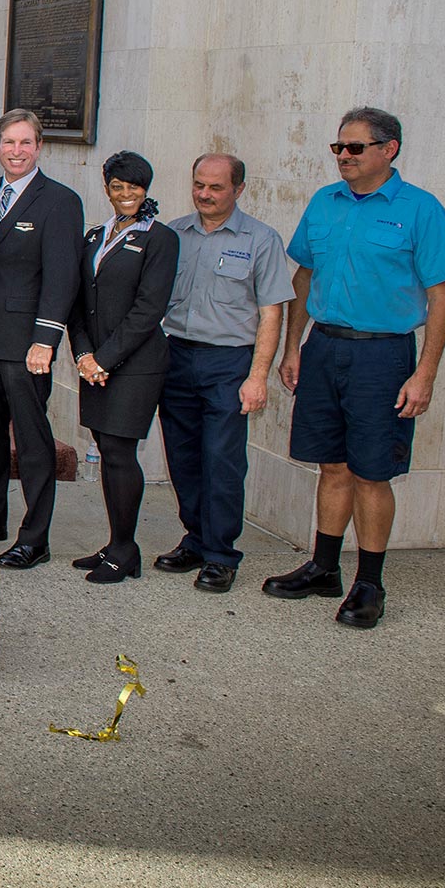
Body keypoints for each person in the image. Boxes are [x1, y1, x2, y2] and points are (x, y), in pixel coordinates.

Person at [268, 108, 445, 628]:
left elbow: (443, 296)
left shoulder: (419, 210)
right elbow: (304, 277)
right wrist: (293, 349)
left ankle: (369, 584)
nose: (343, 158)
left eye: (354, 148)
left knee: (372, 472)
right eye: (338, 148)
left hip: (383, 355)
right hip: (324, 347)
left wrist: (425, 373)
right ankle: (323, 568)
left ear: (388, 149)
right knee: (331, 465)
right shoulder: (324, 204)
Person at [149, 153, 295, 592]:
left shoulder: (260, 240)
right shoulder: (174, 233)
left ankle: (220, 554)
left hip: (229, 363)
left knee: (222, 460)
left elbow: (272, 313)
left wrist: (258, 375)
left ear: (238, 189)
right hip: (176, 356)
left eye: (215, 187)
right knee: (183, 456)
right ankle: (195, 539)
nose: (205, 195)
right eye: (198, 185)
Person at [0, 110, 84, 567]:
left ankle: (36, 536)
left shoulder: (60, 201)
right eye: (9, 142)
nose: (16, 151)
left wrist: (45, 341)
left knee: (31, 440)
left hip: (27, 344)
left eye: (25, 143)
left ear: (39, 146)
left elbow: (63, 276)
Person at [68, 151, 180, 584]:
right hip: (94, 363)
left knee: (119, 452)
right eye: (118, 186)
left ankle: (125, 548)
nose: (126, 193)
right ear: (107, 188)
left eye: (134, 186)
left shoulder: (161, 239)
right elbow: (78, 302)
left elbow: (148, 310)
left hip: (135, 364)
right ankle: (115, 542)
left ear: (146, 189)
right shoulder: (95, 236)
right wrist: (82, 355)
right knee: (107, 449)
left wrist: (104, 358)